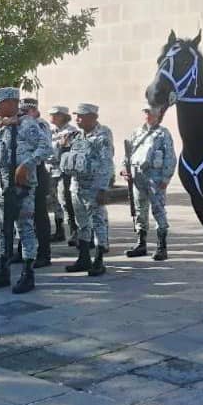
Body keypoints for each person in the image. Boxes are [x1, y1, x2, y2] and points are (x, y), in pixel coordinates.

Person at [0, 87, 50, 293]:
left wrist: (26, 164)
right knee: (2, 229)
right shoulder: (0, 125)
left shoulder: (28, 124)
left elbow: (46, 148)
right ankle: (2, 272)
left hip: (22, 187)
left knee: (24, 228)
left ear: (10, 103)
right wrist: (0, 122)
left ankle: (28, 274)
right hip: (2, 185)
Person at [61, 103, 114, 276]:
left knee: (98, 222)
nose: (77, 119)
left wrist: (103, 188)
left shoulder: (102, 136)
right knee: (81, 223)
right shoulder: (77, 136)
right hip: (77, 186)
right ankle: (83, 258)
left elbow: (106, 163)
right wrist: (63, 146)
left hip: (94, 186)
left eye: (81, 116)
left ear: (94, 117)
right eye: (76, 115)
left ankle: (99, 260)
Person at [121, 106, 176, 260]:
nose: (147, 115)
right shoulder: (137, 132)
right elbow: (128, 153)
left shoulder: (163, 133)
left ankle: (161, 246)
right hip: (137, 176)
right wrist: (124, 170)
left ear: (158, 115)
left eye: (151, 112)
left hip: (155, 177)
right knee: (140, 210)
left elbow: (170, 157)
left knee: (158, 210)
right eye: (145, 112)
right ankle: (141, 243)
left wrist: (166, 178)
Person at [18, 97, 52, 268]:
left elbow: (45, 147)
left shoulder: (40, 124)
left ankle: (44, 253)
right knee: (21, 213)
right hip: (20, 173)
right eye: (21, 111)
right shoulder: (19, 123)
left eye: (26, 111)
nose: (23, 114)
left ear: (35, 110)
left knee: (39, 214)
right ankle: (21, 251)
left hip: (37, 171)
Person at [47, 105, 78, 245]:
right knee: (55, 201)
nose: (52, 117)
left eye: (55, 114)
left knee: (65, 200)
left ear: (63, 116)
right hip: (51, 169)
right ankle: (59, 230)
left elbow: (69, 151)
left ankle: (74, 231)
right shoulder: (51, 131)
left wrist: (61, 146)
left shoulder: (71, 132)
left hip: (63, 171)